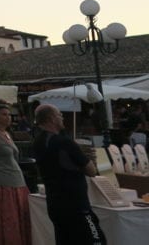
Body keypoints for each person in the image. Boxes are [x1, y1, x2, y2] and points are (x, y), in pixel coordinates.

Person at [32, 104, 106, 245]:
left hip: (55, 203)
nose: (62, 118)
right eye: (60, 115)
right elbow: (91, 170)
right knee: (95, 240)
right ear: (52, 118)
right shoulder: (64, 142)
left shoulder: (38, 142)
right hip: (76, 205)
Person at [0, 104, 31, 245]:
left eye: (9, 114)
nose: (8, 117)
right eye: (4, 114)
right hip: (2, 182)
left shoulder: (7, 134)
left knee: (19, 218)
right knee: (8, 220)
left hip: (17, 181)